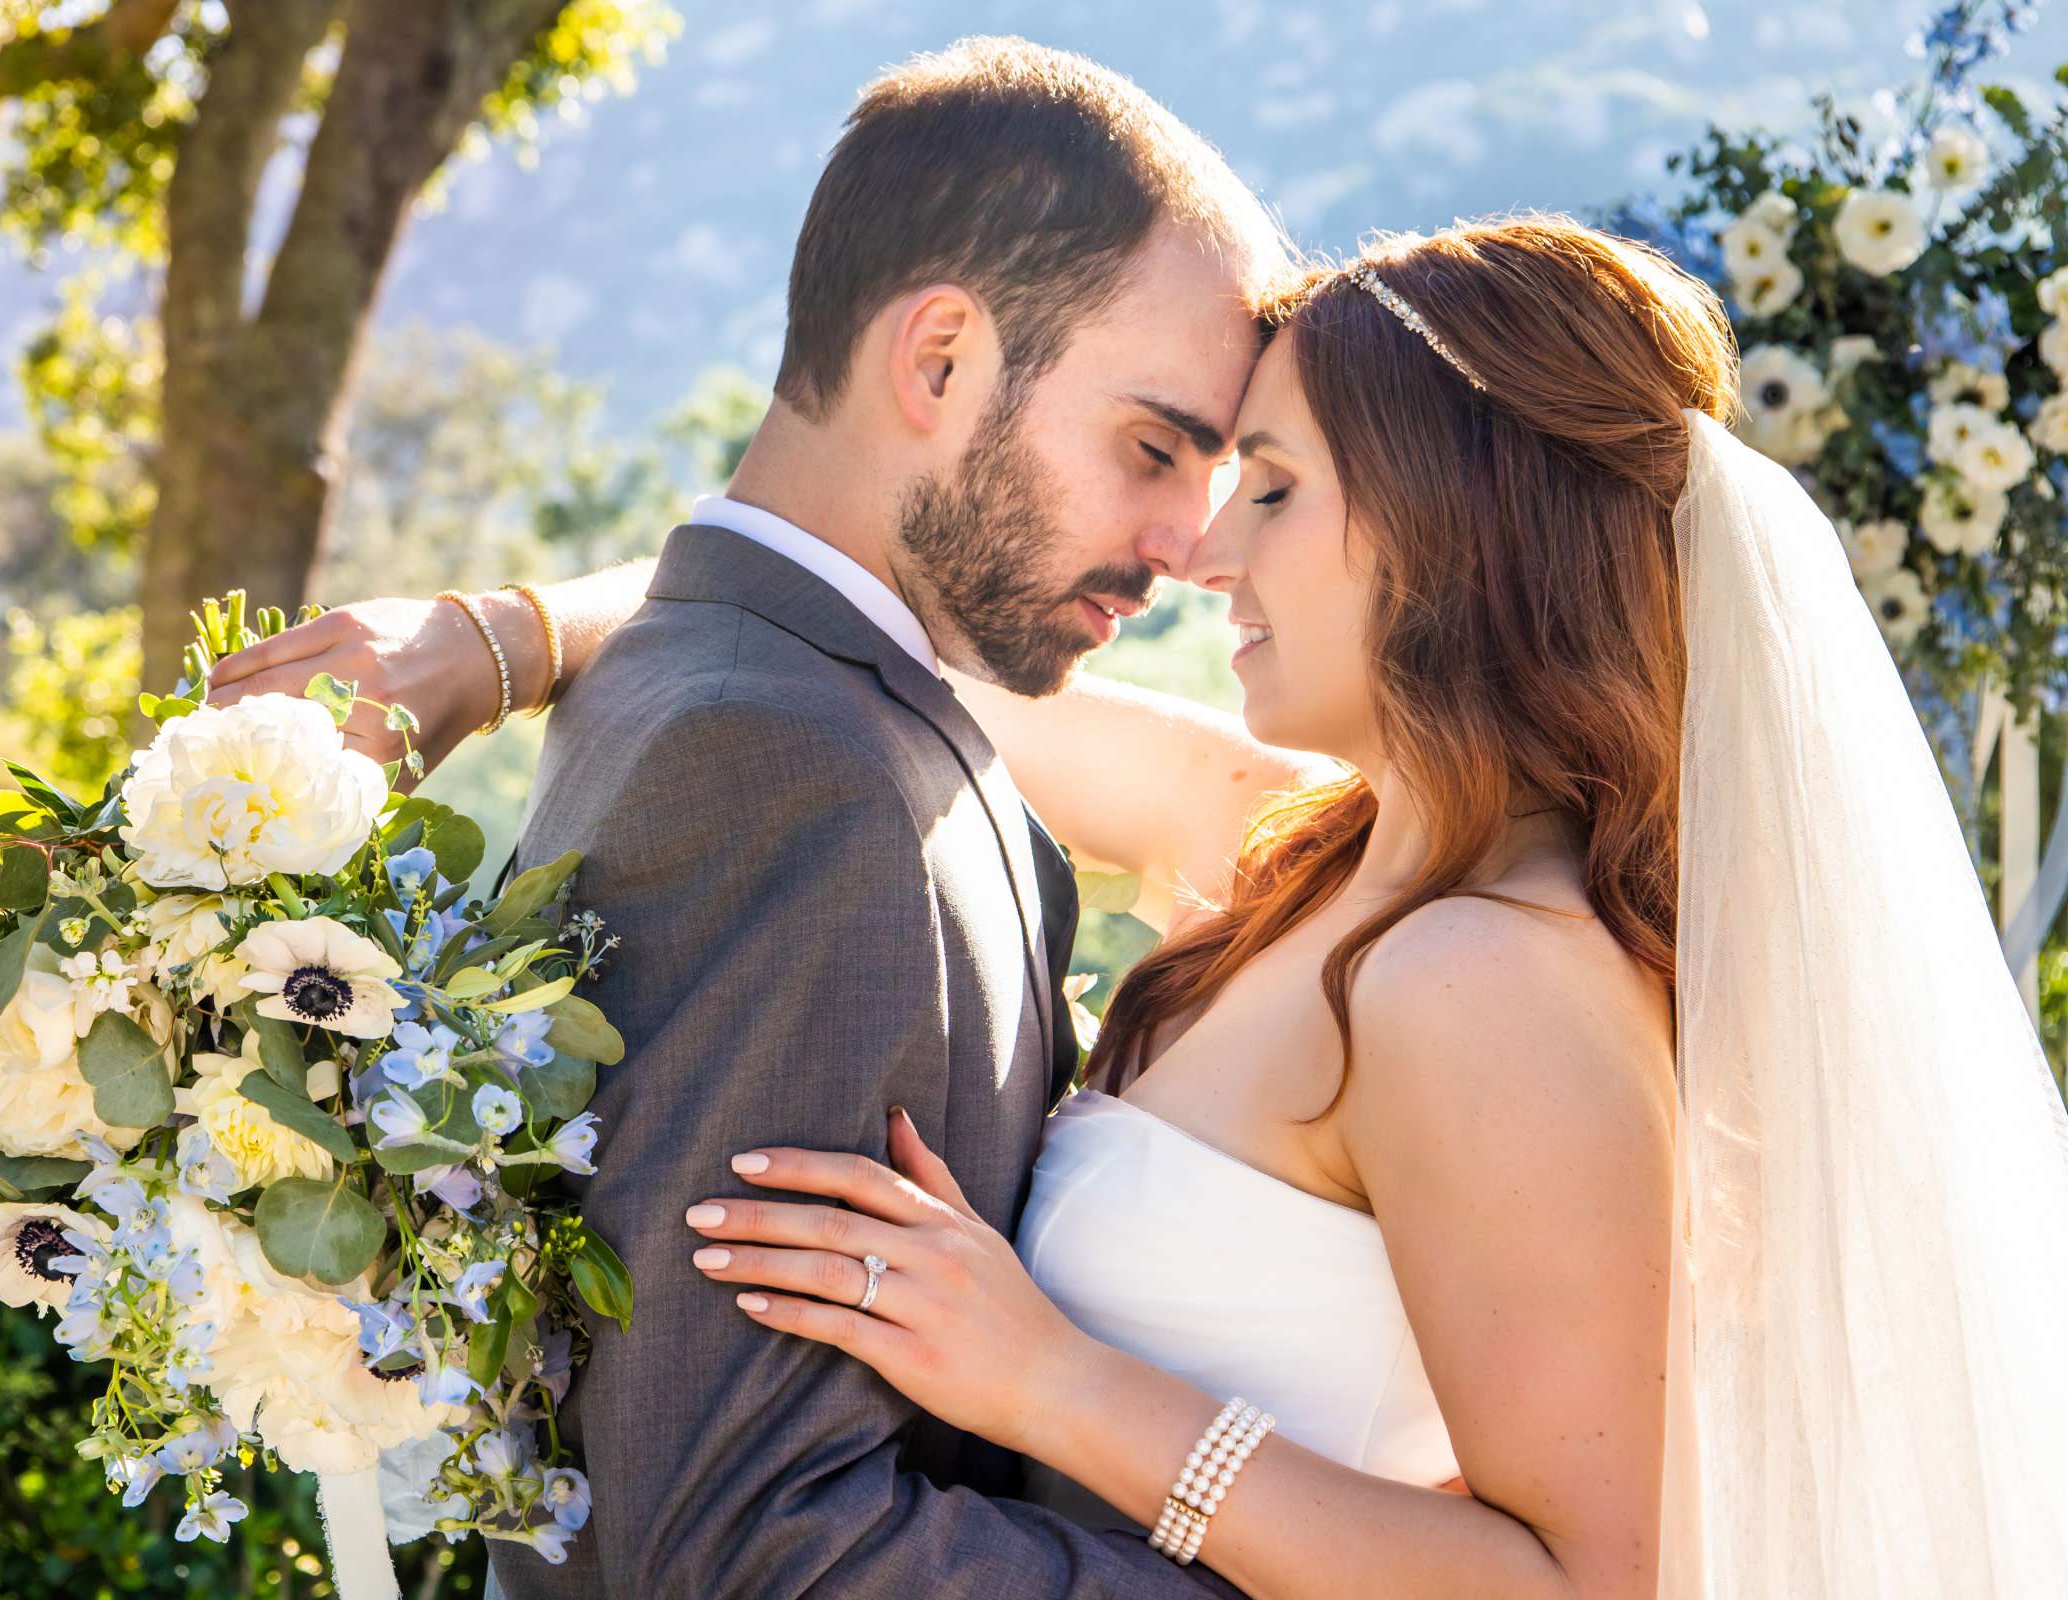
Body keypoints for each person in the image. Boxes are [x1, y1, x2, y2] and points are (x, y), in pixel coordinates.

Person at [241, 213, 2068, 1598]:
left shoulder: (1487, 985)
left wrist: (1058, 1388)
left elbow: (1591, 1585)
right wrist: (506, 637)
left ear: (1453, 528)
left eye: (1273, 487)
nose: (1202, 550)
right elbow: (876, 648)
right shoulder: (1326, 853)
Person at [208, 34, 1293, 1600]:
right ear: (938, 360)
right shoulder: (792, 770)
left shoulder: (747, 684)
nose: (1186, 544)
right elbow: (750, 1545)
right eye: (1152, 448)